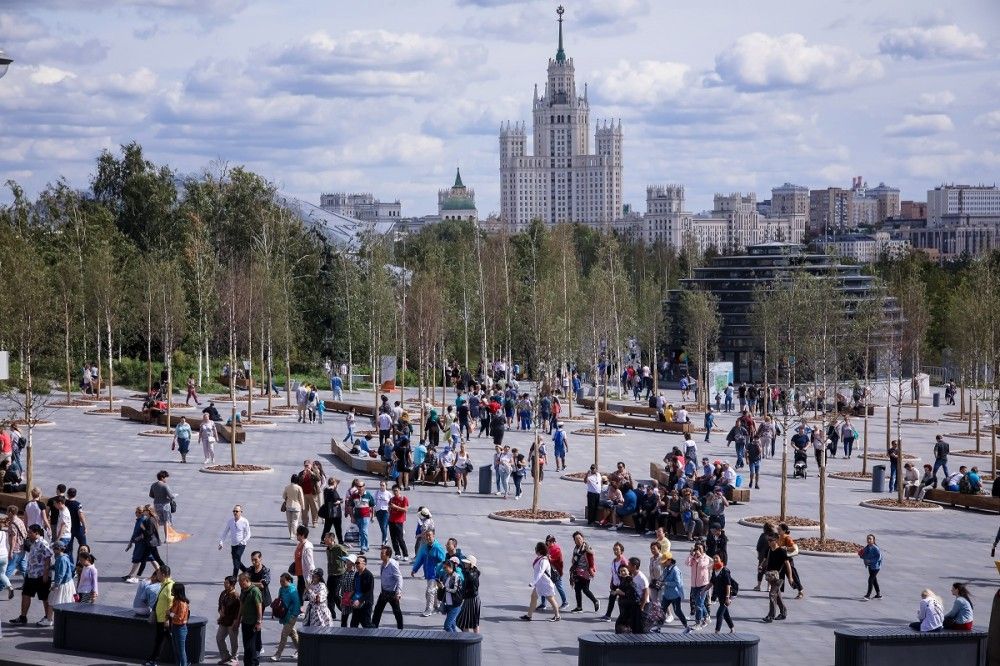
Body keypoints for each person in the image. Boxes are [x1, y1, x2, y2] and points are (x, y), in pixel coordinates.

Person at [9, 524, 54, 627]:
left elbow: (48, 558)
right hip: (31, 574)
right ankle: (23, 617)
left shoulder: (43, 543)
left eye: (30, 532)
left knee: (44, 597)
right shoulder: (33, 543)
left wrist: (46, 574)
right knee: (25, 594)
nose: (28, 534)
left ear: (36, 533)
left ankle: (48, 617)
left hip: (41, 575)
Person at [520, 542, 560, 622]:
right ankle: (529, 616)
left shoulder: (544, 560)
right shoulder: (540, 558)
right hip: (540, 583)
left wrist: (533, 582)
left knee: (551, 599)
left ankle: (557, 616)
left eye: (536, 548)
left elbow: (541, 572)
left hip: (545, 584)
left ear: (539, 550)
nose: (535, 549)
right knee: (533, 597)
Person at [411, 529, 446, 617]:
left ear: (433, 536)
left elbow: (444, 561)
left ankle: (428, 609)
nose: (428, 537)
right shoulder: (424, 546)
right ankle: (437, 606)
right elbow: (420, 558)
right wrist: (415, 569)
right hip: (428, 572)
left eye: (430, 535)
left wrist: (441, 572)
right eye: (426, 536)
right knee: (433, 590)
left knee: (429, 591)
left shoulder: (438, 547)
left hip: (435, 573)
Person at [760, 532, 793, 623]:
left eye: (771, 540)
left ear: (776, 541)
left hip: (779, 577)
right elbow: (765, 560)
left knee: (772, 594)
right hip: (771, 577)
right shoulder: (769, 550)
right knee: (777, 595)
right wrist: (761, 566)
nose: (769, 542)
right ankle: (783, 612)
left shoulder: (782, 551)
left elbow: (787, 564)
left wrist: (790, 578)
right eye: (768, 540)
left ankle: (771, 616)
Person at [270, 572, 301, 662]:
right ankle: (301, 650)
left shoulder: (293, 591)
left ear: (288, 580)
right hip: (284, 615)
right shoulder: (282, 589)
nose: (281, 583)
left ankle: (278, 654)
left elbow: (296, 604)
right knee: (293, 634)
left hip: (291, 616)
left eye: (283, 581)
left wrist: (293, 615)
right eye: (280, 581)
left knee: (284, 635)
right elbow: (279, 600)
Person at [657, 555, 691, 633]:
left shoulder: (675, 570)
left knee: (677, 611)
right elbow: (663, 577)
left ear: (669, 560)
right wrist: (659, 581)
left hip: (675, 594)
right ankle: (658, 627)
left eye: (664, 562)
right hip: (667, 594)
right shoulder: (666, 569)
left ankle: (687, 627)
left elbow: (677, 583)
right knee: (662, 610)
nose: (663, 563)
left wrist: (665, 583)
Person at [372, 546, 403, 629]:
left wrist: (398, 592)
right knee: (377, 611)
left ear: (388, 555)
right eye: (381, 553)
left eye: (382, 553)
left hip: (392, 593)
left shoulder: (392, 565)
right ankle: (373, 628)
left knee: (397, 612)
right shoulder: (383, 564)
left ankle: (400, 629)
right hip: (384, 592)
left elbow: (399, 578)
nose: (381, 555)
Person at [568, 531, 599, 613]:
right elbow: (574, 558)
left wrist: (591, 569)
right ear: (574, 540)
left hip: (586, 572)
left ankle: (595, 601)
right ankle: (579, 607)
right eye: (576, 539)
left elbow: (591, 559)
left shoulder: (587, 548)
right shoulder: (576, 548)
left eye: (579, 538)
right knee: (577, 589)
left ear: (583, 538)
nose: (578, 540)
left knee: (585, 589)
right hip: (577, 572)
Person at [219, 505, 252, 578]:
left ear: (241, 512)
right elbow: (225, 532)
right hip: (233, 545)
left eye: (237, 511)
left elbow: (248, 533)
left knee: (236, 560)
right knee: (236, 560)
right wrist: (221, 542)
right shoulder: (230, 521)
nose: (235, 512)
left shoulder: (244, 521)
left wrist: (243, 541)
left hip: (241, 544)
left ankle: (234, 577)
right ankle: (247, 571)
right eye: (234, 511)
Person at [238, 572, 263, 666]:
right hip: (245, 622)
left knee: (251, 647)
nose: (240, 584)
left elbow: (259, 607)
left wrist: (259, 622)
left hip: (253, 623)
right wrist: (238, 620)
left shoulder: (255, 591)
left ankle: (253, 663)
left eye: (241, 582)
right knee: (246, 646)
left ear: (247, 580)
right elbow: (241, 606)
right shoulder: (243, 590)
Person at [216, 576, 241, 665]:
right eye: (224, 582)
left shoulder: (236, 596)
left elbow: (239, 611)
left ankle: (234, 657)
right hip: (224, 620)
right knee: (219, 638)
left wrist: (236, 621)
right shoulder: (223, 593)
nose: (224, 584)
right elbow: (220, 604)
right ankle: (225, 656)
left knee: (233, 640)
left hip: (232, 621)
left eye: (226, 583)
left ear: (232, 585)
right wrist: (220, 612)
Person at [686, 542, 712, 629]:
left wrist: (699, 556)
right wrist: (691, 555)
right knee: (699, 603)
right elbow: (686, 563)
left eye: (700, 549)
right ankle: (707, 617)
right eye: (696, 549)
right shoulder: (693, 558)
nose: (697, 551)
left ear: (703, 550)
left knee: (699, 605)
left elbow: (701, 565)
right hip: (694, 585)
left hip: (703, 585)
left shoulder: (705, 558)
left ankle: (698, 623)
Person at [602, 542, 629, 621]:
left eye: (617, 549)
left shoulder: (623, 561)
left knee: (622, 601)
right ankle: (608, 615)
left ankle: (624, 617)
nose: (615, 551)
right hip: (615, 583)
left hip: (621, 584)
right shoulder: (614, 560)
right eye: (614, 549)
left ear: (621, 551)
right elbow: (613, 573)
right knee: (611, 599)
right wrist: (612, 582)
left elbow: (627, 573)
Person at [709, 555, 734, 633]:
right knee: (725, 614)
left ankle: (717, 631)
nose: (715, 559)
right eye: (714, 558)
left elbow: (728, 585)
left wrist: (727, 597)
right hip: (720, 596)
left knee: (719, 613)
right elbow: (711, 582)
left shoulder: (725, 570)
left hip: (726, 596)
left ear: (721, 559)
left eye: (717, 558)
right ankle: (732, 628)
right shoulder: (714, 569)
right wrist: (703, 590)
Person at [457, 555, 481, 633]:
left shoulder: (470, 575)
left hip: (471, 599)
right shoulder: (472, 572)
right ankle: (472, 638)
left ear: (471, 564)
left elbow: (473, 589)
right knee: (472, 622)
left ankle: (469, 638)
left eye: (467, 563)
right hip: (472, 599)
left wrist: (464, 595)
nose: (465, 564)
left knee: (463, 622)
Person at [168, 583, 191, 666]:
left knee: (181, 651)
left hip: (180, 628)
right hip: (175, 626)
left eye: (173, 589)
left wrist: (169, 614)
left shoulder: (182, 603)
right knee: (176, 650)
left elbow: (180, 618)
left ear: (177, 591)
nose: (171, 590)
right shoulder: (175, 600)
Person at [440, 557, 465, 631]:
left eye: (445, 568)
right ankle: (456, 640)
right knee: (452, 626)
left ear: (450, 567)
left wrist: (444, 588)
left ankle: (453, 641)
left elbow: (454, 590)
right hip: (448, 603)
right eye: (443, 568)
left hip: (455, 604)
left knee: (447, 626)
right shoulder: (446, 575)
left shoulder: (456, 576)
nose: (444, 569)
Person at [293, 526, 315, 604]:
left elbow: (310, 562)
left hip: (304, 573)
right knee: (300, 591)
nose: (296, 535)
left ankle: (301, 608)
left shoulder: (307, 547)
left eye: (298, 534)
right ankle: (300, 607)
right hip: (299, 572)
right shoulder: (299, 544)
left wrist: (312, 575)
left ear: (302, 535)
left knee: (302, 591)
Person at [296, 461, 322, 529]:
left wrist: (312, 473)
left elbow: (319, 479)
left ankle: (315, 522)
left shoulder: (315, 471)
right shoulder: (301, 473)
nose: (306, 467)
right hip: (304, 494)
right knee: (304, 509)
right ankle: (305, 523)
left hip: (312, 493)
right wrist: (303, 476)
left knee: (314, 509)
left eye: (307, 465)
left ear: (311, 465)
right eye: (305, 465)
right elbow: (298, 483)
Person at [387, 485, 409, 561]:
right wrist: (390, 508)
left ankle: (405, 554)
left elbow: (405, 510)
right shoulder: (392, 499)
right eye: (394, 491)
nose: (395, 492)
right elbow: (389, 508)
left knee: (400, 538)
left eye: (396, 490)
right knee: (393, 538)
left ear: (399, 490)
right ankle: (397, 553)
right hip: (391, 520)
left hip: (399, 521)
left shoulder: (404, 499)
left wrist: (396, 507)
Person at [859, 534, 883, 600]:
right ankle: (878, 594)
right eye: (868, 539)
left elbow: (879, 557)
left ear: (873, 540)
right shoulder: (867, 547)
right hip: (870, 566)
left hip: (876, 567)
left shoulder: (875, 548)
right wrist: (861, 555)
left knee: (870, 579)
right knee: (874, 580)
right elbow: (864, 555)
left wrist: (870, 560)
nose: (869, 540)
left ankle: (868, 595)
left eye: (870, 539)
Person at [281, 475, 305, 541]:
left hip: (288, 506)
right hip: (297, 506)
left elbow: (283, 496)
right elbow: (301, 498)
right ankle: (293, 534)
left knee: (289, 521)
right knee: (295, 521)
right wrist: (303, 507)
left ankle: (290, 534)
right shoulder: (299, 488)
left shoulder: (287, 487)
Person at [320, 477, 343, 543]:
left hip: (328, 512)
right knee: (338, 528)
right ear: (334, 483)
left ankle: (323, 539)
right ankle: (340, 541)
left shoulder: (326, 490)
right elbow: (335, 501)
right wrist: (340, 501)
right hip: (335, 513)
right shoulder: (333, 491)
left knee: (327, 527)